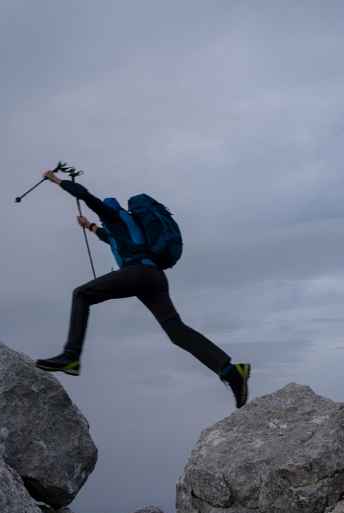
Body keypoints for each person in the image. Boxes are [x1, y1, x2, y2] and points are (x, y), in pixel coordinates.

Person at [34, 168, 252, 409]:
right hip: (154, 278)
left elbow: (85, 196)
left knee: (81, 294)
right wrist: (89, 226)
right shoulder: (127, 228)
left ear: (111, 211)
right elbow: (106, 235)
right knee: (176, 331)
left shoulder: (113, 216)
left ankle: (71, 356)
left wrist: (55, 180)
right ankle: (231, 371)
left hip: (137, 274)